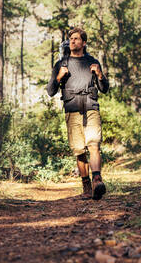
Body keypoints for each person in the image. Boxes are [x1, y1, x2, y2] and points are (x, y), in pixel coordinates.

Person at [46, 27, 109, 200]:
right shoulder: (61, 64)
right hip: (72, 109)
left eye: (76, 39)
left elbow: (104, 89)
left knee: (94, 144)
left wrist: (99, 74)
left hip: (91, 106)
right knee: (79, 150)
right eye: (71, 39)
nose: (73, 41)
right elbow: (50, 91)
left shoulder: (92, 62)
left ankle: (97, 180)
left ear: (84, 42)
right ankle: (86, 186)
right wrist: (59, 77)